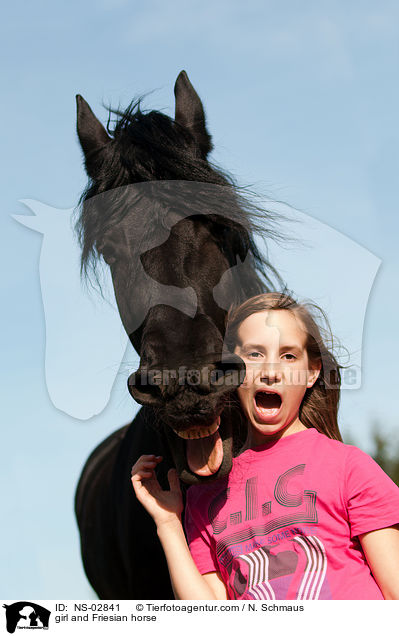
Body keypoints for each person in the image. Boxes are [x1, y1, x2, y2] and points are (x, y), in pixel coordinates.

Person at [131, 292, 399, 600]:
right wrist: (167, 522)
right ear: (231, 372)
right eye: (255, 354)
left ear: (311, 372)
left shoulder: (349, 466)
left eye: (288, 356)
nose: (271, 371)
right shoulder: (204, 498)